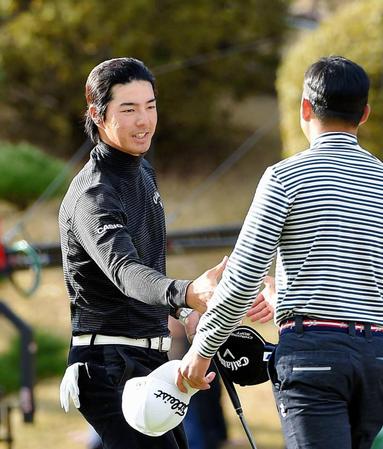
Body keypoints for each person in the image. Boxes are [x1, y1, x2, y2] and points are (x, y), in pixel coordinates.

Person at [177, 56, 383, 449]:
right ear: (365, 114)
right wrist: (284, 295)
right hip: (376, 360)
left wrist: (203, 348)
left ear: (305, 107)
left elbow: (242, 276)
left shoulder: (284, 177)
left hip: (312, 358)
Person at [58, 57, 226, 449]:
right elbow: (126, 271)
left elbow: (147, 269)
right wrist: (186, 292)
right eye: (128, 109)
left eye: (150, 106)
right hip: (105, 366)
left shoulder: (143, 173)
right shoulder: (93, 193)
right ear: (98, 116)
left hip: (151, 360)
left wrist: (184, 313)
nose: (144, 120)